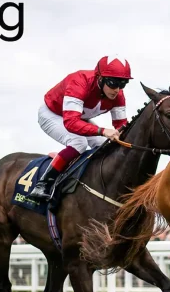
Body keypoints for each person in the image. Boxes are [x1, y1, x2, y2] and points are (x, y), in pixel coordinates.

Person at [28, 55, 132, 201]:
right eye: (113, 83)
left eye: (122, 84)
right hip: (52, 114)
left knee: (106, 144)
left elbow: (120, 125)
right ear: (100, 78)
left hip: (78, 118)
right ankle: (43, 184)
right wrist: (102, 131)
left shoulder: (118, 95)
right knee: (79, 143)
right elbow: (70, 122)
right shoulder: (79, 82)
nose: (117, 89)